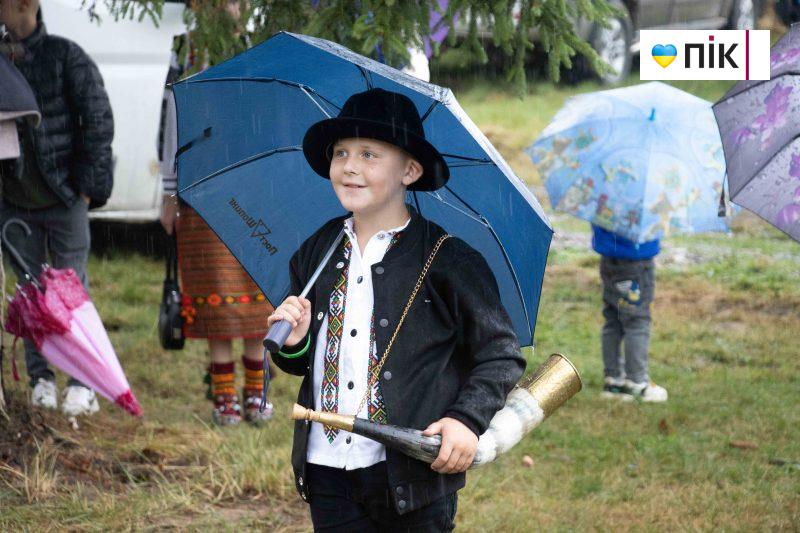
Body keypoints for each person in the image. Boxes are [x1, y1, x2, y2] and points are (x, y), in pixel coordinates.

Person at [268, 88, 526, 531]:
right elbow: (304, 362)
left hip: (412, 475)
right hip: (326, 466)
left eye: (369, 154)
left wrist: (466, 421)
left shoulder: (448, 258)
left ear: (409, 170)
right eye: (341, 153)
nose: (349, 166)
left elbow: (500, 354)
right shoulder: (316, 252)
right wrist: (295, 344)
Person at [159, 0, 274, 426]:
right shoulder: (187, 50)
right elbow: (171, 119)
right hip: (201, 189)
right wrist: (170, 192)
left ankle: (257, 391)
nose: (229, 5)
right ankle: (225, 396)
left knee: (255, 297)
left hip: (252, 188)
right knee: (215, 296)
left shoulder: (256, 48)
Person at [0, 0, 113, 416]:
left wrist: (86, 190)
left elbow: (98, 121)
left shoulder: (65, 55)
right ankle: (40, 380)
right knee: (29, 294)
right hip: (13, 202)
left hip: (65, 200)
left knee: (71, 295)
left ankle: (81, 384)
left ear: (24, 5)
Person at [592, 224, 668, 402]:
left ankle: (613, 381)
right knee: (637, 321)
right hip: (636, 259)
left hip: (609, 257)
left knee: (613, 318)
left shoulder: (607, 195)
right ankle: (636, 382)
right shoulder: (642, 199)